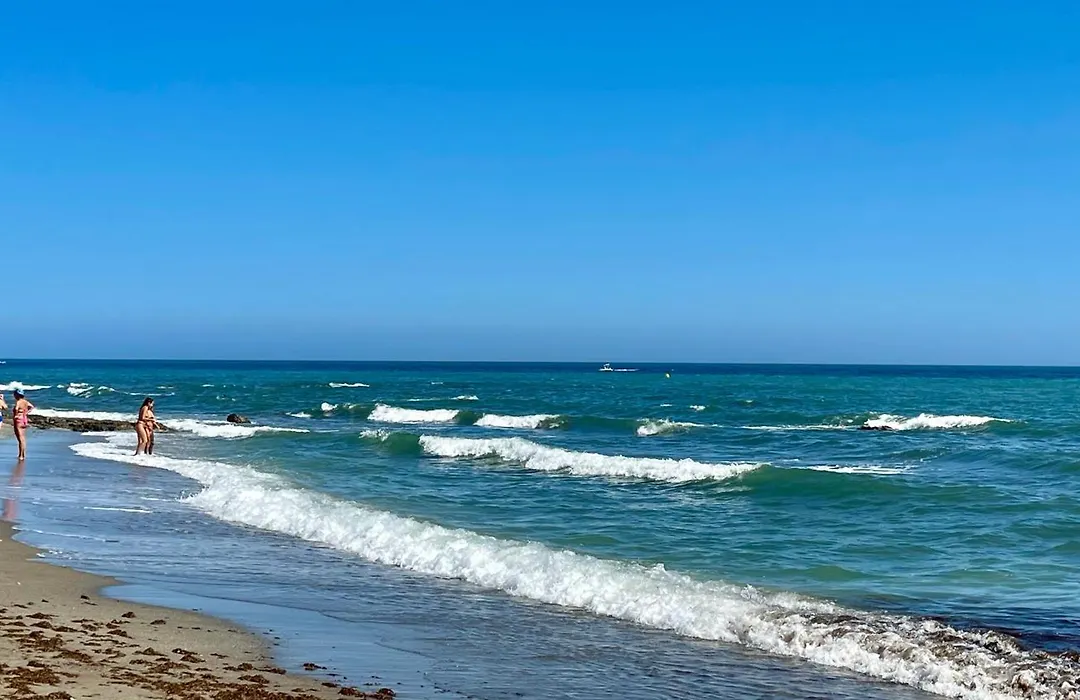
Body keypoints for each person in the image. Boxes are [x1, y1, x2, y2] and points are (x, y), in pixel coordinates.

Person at [11, 390, 33, 461]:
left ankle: (21, 455)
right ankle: (22, 454)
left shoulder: (18, 402)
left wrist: (16, 415)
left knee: (20, 438)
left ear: (17, 395)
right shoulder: (25, 402)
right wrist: (26, 412)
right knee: (23, 438)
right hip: (24, 419)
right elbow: (31, 407)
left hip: (19, 420)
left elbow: (16, 408)